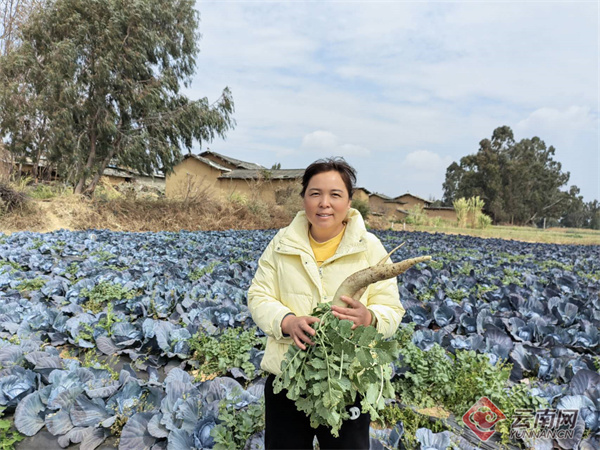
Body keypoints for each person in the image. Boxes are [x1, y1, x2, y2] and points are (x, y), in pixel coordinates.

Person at [247, 157, 405, 449]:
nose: (324, 203)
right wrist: (287, 321)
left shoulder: (370, 248)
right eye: (315, 193)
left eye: (335, 195)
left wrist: (369, 319)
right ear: (303, 198)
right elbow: (258, 295)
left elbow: (392, 308)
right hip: (288, 376)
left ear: (349, 201)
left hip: (348, 380)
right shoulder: (282, 243)